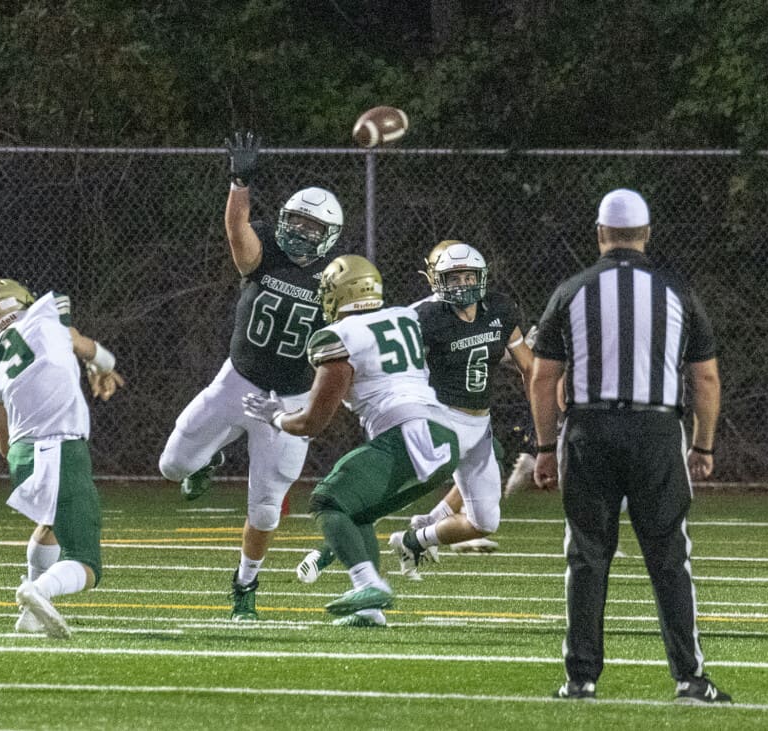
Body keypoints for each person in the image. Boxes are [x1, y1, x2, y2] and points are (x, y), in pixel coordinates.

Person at [529, 188, 731, 704]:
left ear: (600, 234)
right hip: (656, 432)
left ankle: (580, 679)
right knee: (669, 556)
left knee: (587, 557)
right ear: (646, 235)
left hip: (589, 432)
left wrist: (545, 447)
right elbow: (704, 378)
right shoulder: (676, 291)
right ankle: (690, 677)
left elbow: (543, 375)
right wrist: (703, 446)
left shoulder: (571, 290)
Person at [157, 131, 343, 621]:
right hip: (238, 380)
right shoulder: (267, 254)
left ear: (330, 235)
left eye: (311, 226)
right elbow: (237, 231)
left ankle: (245, 585)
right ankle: (208, 458)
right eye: (295, 222)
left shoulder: (338, 278)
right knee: (171, 466)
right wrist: (240, 181)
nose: (300, 232)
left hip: (291, 399)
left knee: (264, 508)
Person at [295, 241, 533, 584]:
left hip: (479, 425)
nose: (464, 284)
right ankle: (328, 552)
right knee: (381, 499)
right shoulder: (420, 317)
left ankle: (413, 540)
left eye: (470, 276)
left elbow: (526, 363)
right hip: (437, 420)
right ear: (434, 279)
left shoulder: (498, 308)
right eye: (455, 277)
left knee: (485, 522)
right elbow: (390, 361)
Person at [243, 254, 460, 627]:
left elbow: (312, 422)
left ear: (339, 292)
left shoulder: (338, 337)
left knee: (328, 499)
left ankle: (368, 583)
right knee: (359, 510)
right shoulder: (406, 317)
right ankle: (369, 612)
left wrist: (275, 415)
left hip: (408, 433)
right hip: (447, 436)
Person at [0, 278, 125, 639]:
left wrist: (23, 464)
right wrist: (103, 362)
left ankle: (31, 616)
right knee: (87, 561)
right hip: (58, 445)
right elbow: (76, 339)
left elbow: (2, 435)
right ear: (21, 300)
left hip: (22, 455)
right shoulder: (42, 314)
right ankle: (39, 591)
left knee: (50, 523)